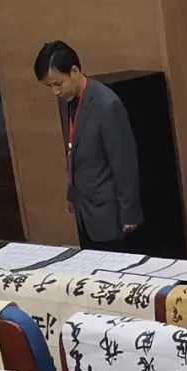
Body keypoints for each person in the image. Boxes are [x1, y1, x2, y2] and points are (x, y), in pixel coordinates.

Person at [34, 40, 142, 251]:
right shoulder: (66, 101)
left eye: (58, 84)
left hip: (108, 210)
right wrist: (72, 192)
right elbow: (73, 148)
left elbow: (124, 163)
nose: (55, 92)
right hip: (84, 209)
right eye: (50, 86)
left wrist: (130, 212)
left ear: (74, 70)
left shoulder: (107, 104)